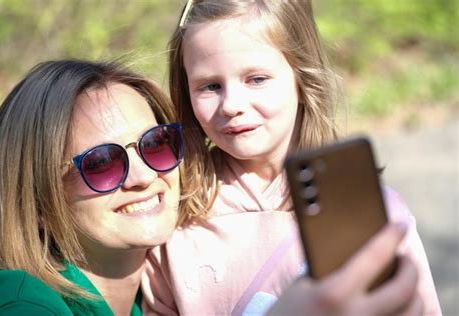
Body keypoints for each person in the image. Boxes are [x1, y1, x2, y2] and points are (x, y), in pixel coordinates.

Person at [141, 0, 442, 315]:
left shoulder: (371, 211)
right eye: (210, 86)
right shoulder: (174, 217)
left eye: (256, 79)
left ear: (302, 77)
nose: (231, 105)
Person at [0, 59, 185, 315]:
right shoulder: (21, 307)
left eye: (155, 143)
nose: (144, 176)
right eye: (101, 162)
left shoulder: (167, 291)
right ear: (36, 203)